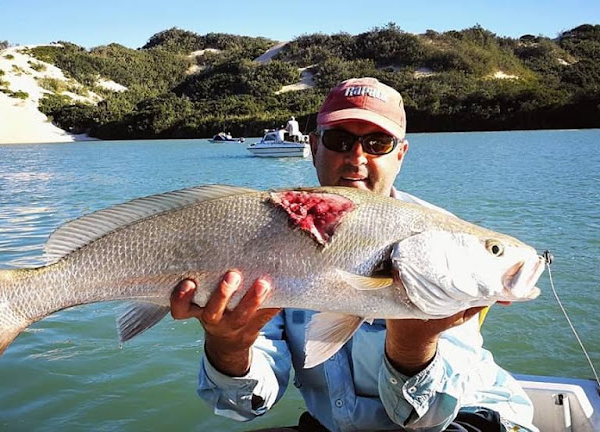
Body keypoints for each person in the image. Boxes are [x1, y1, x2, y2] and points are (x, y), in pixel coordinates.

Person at [169, 77, 536, 432]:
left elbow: (428, 422)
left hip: (467, 418)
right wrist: (228, 345)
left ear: (401, 154)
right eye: (340, 140)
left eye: (378, 143)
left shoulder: (442, 241)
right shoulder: (271, 230)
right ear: (313, 146)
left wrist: (413, 344)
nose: (357, 158)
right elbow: (244, 405)